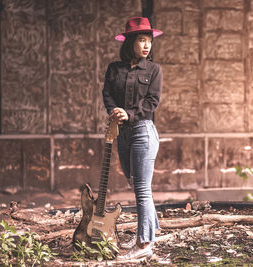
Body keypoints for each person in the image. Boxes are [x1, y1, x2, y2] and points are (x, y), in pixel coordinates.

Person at [102, 17, 163, 260]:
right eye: (141, 40)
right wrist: (114, 111)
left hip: (143, 132)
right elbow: (107, 93)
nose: (147, 45)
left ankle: (144, 243)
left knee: (142, 188)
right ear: (129, 42)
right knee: (134, 181)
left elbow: (152, 103)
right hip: (122, 134)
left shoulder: (154, 70)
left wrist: (129, 113)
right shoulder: (114, 68)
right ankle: (151, 230)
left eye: (149, 40)